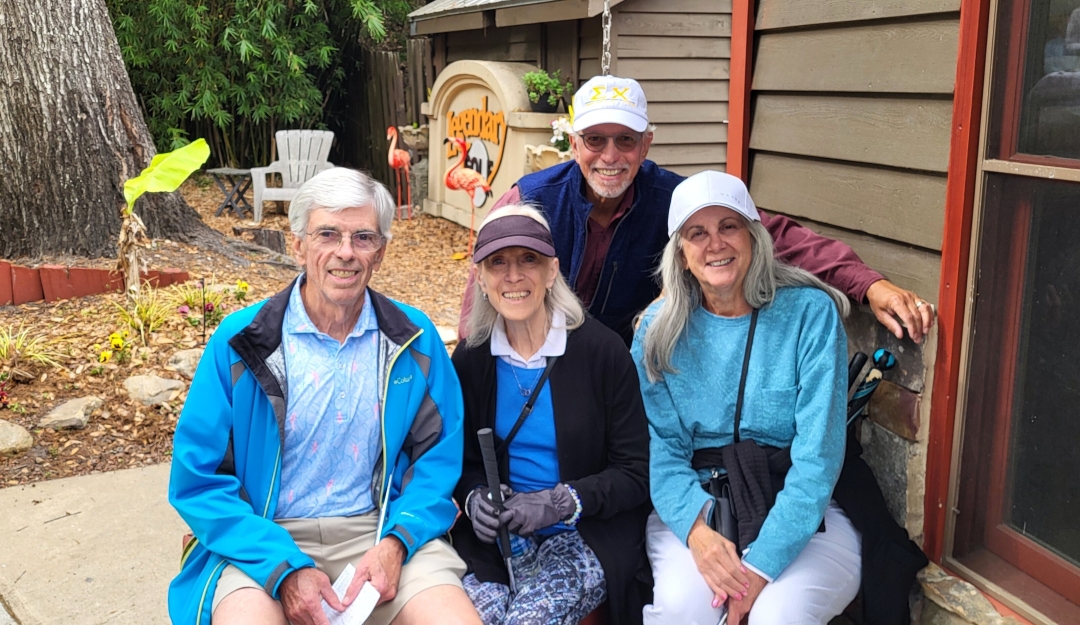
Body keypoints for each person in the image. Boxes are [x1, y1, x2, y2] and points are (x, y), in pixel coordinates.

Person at [168, 168, 482, 625]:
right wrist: (284, 569)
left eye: (363, 237)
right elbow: (197, 479)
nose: (345, 252)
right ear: (298, 245)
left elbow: (437, 462)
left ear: (382, 251)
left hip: (379, 531)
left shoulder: (414, 342)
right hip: (264, 536)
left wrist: (398, 542)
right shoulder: (240, 343)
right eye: (328, 234)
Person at [459, 75, 935, 346]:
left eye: (625, 139)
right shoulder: (531, 198)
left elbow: (772, 234)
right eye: (595, 140)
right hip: (544, 358)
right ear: (573, 143)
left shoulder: (675, 198)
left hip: (637, 363)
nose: (610, 156)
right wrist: (471, 366)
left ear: (646, 143)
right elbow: (481, 290)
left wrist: (868, 284)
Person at [632, 171, 860, 624]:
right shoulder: (657, 332)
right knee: (681, 611)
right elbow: (660, 450)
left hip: (798, 509)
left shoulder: (810, 315)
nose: (715, 244)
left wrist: (758, 568)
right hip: (697, 501)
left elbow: (817, 458)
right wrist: (698, 534)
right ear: (680, 255)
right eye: (697, 233)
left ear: (755, 237)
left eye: (729, 227)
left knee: (779, 617)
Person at [450, 206, 652, 625]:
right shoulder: (473, 357)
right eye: (497, 263)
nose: (513, 276)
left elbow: (637, 472)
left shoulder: (602, 351)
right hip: (499, 541)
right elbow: (462, 460)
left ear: (552, 270)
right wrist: (475, 500)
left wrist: (561, 503)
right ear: (481, 279)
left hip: (587, 532)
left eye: (529, 260)